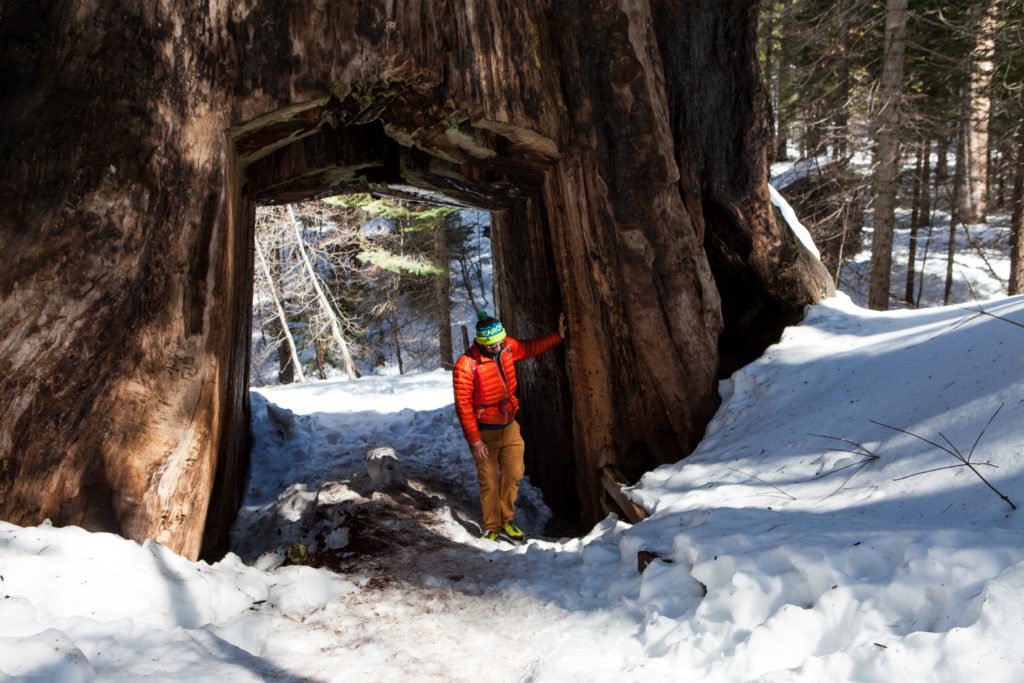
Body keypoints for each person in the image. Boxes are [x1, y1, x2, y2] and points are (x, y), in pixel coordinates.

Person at [452, 310, 566, 542]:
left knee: (514, 474)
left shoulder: (506, 348)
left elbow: (529, 348)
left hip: (510, 424)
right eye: (494, 345)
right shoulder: (466, 365)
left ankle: (506, 519)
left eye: (501, 342)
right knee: (489, 481)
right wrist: (475, 441)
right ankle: (492, 527)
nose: (499, 347)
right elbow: (463, 406)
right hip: (484, 431)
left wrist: (559, 337)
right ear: (482, 343)